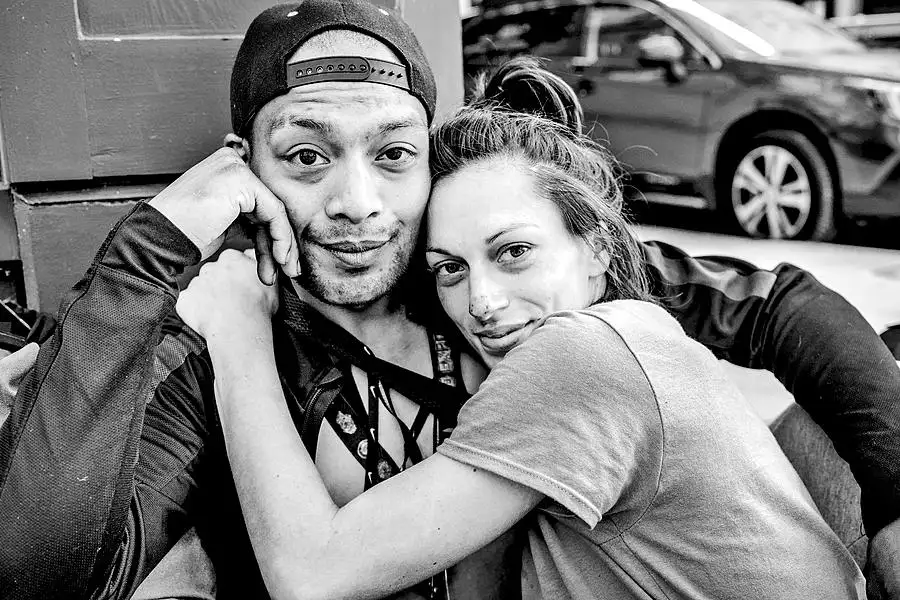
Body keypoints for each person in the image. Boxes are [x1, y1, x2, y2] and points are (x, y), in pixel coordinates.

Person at [0, 1, 898, 598]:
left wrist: (893, 503)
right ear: (248, 171)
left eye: (393, 154)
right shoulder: (214, 345)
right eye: (307, 157)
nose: (359, 204)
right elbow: (40, 575)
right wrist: (148, 252)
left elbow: (781, 303)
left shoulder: (490, 274)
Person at [174, 56, 868, 599]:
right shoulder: (628, 340)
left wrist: (238, 332)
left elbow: (314, 574)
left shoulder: (581, 355)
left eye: (513, 253)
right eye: (450, 269)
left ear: (596, 248)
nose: (482, 301)